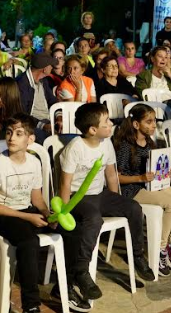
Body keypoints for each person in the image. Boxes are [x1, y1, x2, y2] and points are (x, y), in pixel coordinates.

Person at [0, 114, 90, 313]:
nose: (12, 137)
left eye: (19, 134)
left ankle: (65, 286)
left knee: (74, 231)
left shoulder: (34, 162)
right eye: (9, 132)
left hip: (27, 211)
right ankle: (31, 308)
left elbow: (37, 198)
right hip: (2, 216)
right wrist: (29, 217)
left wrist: (47, 214)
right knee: (29, 242)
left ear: (30, 139)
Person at [58, 103, 156, 300]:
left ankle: (137, 256)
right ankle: (81, 271)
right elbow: (65, 185)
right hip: (79, 197)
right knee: (94, 219)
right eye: (106, 121)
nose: (112, 123)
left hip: (100, 194)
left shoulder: (107, 143)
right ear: (93, 130)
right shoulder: (75, 148)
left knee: (133, 207)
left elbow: (111, 176)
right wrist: (64, 213)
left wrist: (116, 202)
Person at [113, 104, 171, 276]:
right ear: (136, 124)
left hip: (152, 185)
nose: (153, 125)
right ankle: (159, 248)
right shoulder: (125, 146)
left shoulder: (150, 143)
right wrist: (140, 178)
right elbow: (116, 178)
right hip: (132, 189)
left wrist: (165, 173)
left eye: (154, 122)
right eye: (148, 122)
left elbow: (154, 169)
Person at [16, 52, 59, 142]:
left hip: (49, 120)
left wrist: (59, 117)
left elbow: (52, 100)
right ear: (44, 69)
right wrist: (42, 125)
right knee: (48, 139)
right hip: (31, 125)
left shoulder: (43, 80)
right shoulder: (22, 84)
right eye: (51, 65)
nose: (52, 67)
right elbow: (23, 114)